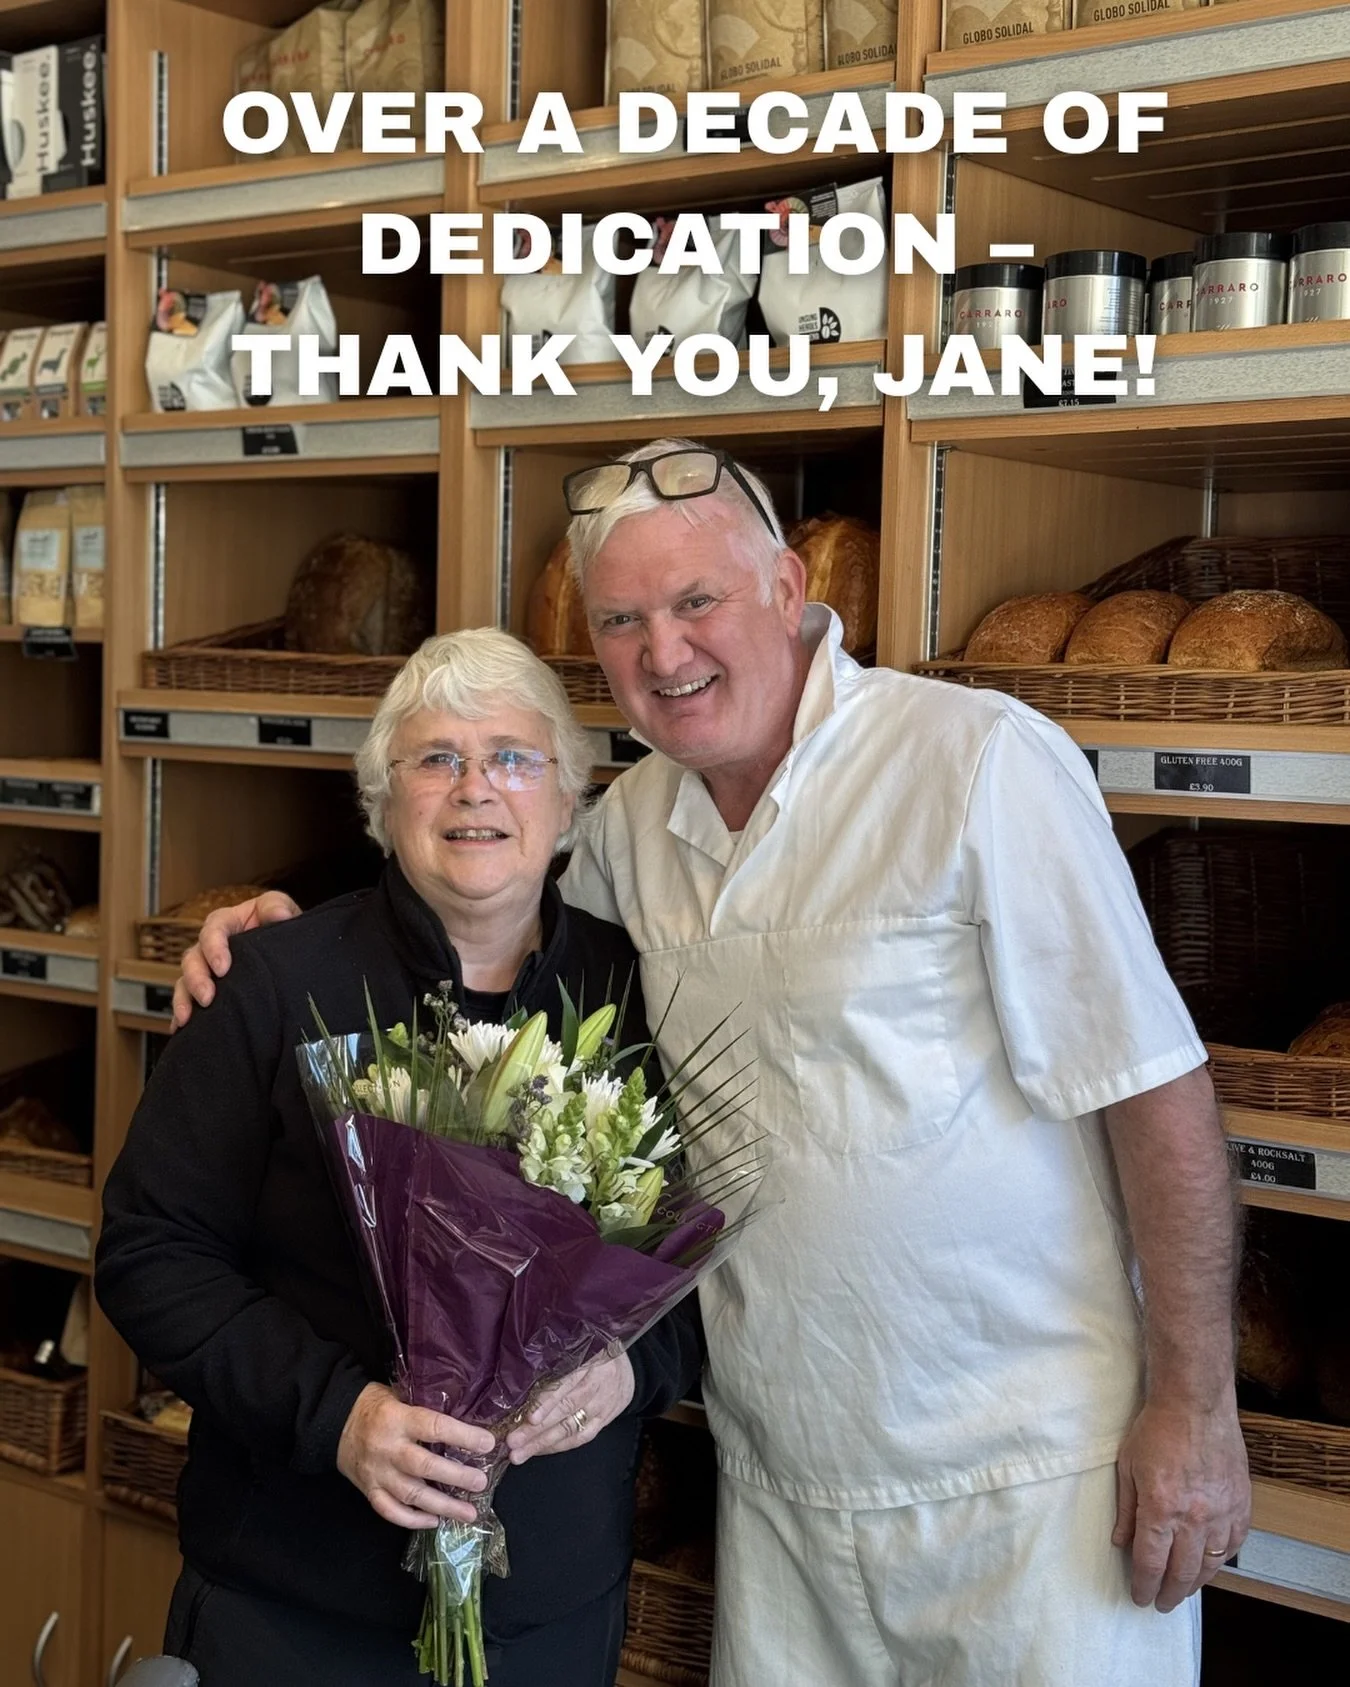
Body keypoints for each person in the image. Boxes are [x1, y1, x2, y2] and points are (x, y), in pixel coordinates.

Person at [176, 442, 1250, 1687]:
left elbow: (1156, 1090)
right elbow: (469, 901)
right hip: (781, 1490)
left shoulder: (974, 765)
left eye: (697, 603)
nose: (664, 651)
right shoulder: (633, 830)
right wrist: (280, 931)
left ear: (790, 588)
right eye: (624, 621)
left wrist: (1194, 1406)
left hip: (1026, 1486)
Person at [97, 629, 702, 1687]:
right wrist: (340, 1417)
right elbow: (152, 1255)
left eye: (513, 757)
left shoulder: (641, 995)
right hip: (298, 1608)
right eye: (437, 759)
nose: (477, 788)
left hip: (554, 1614)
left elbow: (698, 1274)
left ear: (568, 801)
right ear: (383, 805)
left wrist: (631, 1368)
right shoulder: (274, 985)